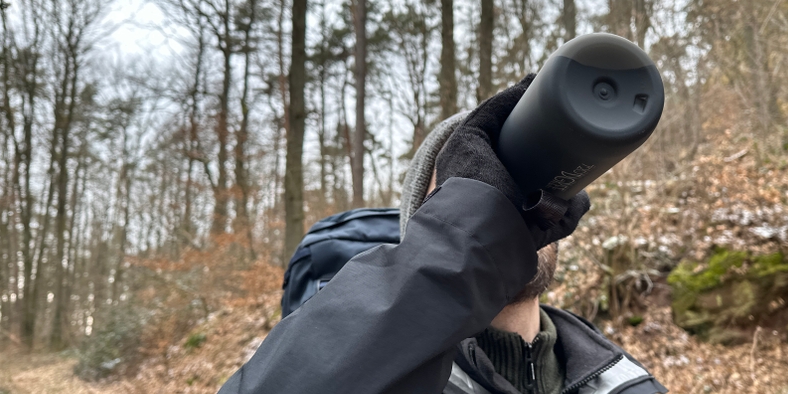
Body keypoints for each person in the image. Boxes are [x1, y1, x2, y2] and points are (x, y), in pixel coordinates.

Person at [220, 76, 667, 394]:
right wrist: (467, 247)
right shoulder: (393, 372)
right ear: (426, 227)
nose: (505, 204)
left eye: (520, 180)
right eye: (471, 191)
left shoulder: (625, 381)